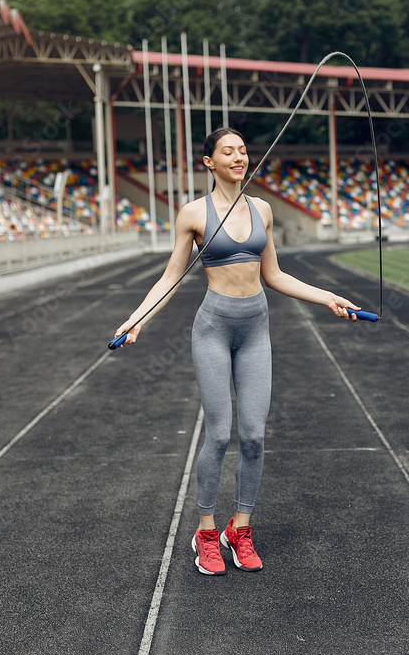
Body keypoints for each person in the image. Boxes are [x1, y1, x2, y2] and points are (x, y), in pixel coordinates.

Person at [114, 127, 363, 575]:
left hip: (256, 328)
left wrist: (327, 296)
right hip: (213, 328)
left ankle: (239, 529)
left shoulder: (262, 209)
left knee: (253, 436)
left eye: (243, 150)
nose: (239, 156)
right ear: (208, 161)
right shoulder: (193, 214)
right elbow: (171, 276)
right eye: (227, 151)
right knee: (219, 434)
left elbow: (275, 276)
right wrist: (137, 320)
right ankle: (206, 533)